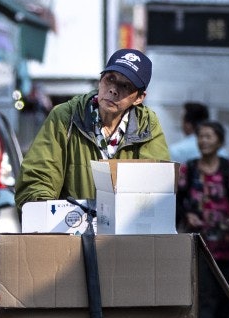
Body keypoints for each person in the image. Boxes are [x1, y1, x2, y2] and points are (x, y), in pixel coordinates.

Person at [15, 49, 170, 206]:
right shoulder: (66, 116)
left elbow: (156, 189)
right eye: (110, 79)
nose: (113, 90)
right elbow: (37, 178)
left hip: (126, 228)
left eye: (125, 85)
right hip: (71, 227)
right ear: (100, 80)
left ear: (139, 98)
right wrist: (49, 212)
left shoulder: (147, 125)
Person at [178, 119, 229, 318]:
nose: (203, 141)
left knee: (225, 295)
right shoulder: (190, 168)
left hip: (226, 242)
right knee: (204, 294)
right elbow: (179, 201)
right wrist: (187, 215)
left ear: (219, 141)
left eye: (209, 136)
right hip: (200, 243)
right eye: (201, 136)